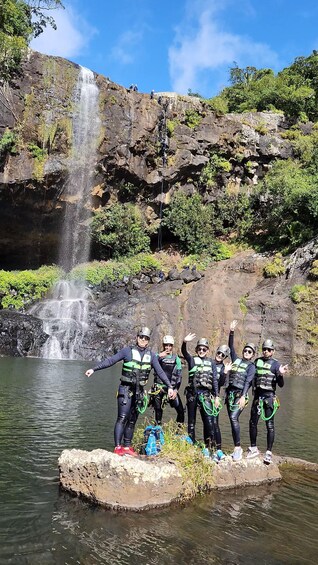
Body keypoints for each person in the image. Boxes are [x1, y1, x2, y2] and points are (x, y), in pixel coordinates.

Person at [85, 327, 174, 457]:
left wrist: (170, 386)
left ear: (148, 340)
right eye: (141, 337)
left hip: (139, 392)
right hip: (125, 389)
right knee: (122, 418)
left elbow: (160, 372)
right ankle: (117, 447)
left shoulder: (151, 356)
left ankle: (127, 446)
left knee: (132, 420)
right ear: (137, 338)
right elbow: (111, 360)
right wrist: (94, 369)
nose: (143, 340)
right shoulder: (127, 351)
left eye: (146, 338)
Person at [247, 339, 288, 464]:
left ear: (273, 351)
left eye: (269, 350)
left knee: (269, 425)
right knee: (253, 423)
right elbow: (251, 378)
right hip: (257, 397)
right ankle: (253, 448)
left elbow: (281, 385)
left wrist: (280, 375)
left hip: (269, 397)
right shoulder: (256, 361)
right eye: (264, 349)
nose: (266, 351)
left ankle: (269, 452)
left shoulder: (276, 365)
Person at [182, 333, 220, 450]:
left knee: (209, 421)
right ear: (196, 349)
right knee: (191, 422)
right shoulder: (192, 360)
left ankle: (209, 447)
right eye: (199, 349)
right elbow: (184, 352)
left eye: (204, 349)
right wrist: (184, 342)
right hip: (192, 394)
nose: (201, 350)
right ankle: (191, 445)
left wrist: (217, 396)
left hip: (206, 394)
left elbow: (214, 380)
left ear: (207, 350)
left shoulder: (212, 363)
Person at [226, 320, 256, 461]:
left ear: (253, 354)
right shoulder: (236, 360)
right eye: (245, 350)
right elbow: (230, 347)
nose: (246, 352)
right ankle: (235, 447)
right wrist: (231, 331)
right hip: (230, 395)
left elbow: (248, 382)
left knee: (233, 418)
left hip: (240, 395)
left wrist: (244, 396)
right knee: (233, 420)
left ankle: (238, 448)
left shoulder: (251, 367)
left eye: (249, 351)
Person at [151, 335, 184, 425]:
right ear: (163, 345)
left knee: (181, 411)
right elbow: (149, 365)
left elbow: (179, 376)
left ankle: (178, 431)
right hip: (159, 388)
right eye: (166, 345)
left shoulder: (176, 359)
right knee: (158, 411)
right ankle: (158, 430)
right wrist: (158, 357)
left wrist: (175, 390)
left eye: (170, 345)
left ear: (172, 346)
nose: (168, 347)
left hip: (171, 389)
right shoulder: (158, 357)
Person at [211, 344, 231, 462]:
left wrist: (224, 373)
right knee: (208, 423)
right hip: (205, 396)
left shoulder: (224, 368)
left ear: (225, 357)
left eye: (222, 355)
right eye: (218, 353)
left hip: (215, 397)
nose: (219, 356)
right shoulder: (209, 363)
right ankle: (209, 448)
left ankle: (218, 449)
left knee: (215, 423)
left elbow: (222, 384)